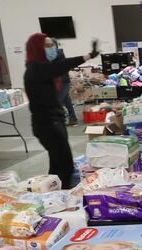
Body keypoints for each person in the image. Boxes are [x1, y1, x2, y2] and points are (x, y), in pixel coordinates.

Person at [24, 33, 98, 188]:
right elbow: (60, 66)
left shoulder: (41, 67)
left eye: (53, 45)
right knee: (65, 165)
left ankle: (50, 193)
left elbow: (58, 66)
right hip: (47, 124)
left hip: (54, 120)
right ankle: (62, 198)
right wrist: (87, 56)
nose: (53, 49)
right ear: (37, 48)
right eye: (48, 45)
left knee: (57, 164)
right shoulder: (35, 68)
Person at [53, 42, 79, 126]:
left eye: (50, 45)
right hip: (61, 81)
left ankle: (59, 120)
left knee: (58, 101)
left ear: (55, 45)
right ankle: (73, 118)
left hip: (63, 81)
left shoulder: (58, 54)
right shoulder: (57, 54)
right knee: (67, 101)